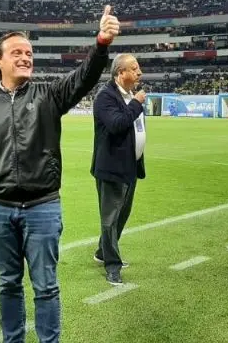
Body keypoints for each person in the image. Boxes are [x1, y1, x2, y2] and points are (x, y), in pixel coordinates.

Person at [0, 5, 120, 343]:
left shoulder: (48, 96)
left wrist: (101, 43)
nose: (25, 58)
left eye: (29, 53)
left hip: (42, 207)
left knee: (46, 287)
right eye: (16, 52)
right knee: (7, 284)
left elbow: (84, 77)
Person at [90, 54, 146, 286]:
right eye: (134, 68)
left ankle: (102, 252)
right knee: (110, 219)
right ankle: (112, 266)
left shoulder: (130, 95)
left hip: (130, 167)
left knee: (121, 215)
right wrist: (137, 104)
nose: (139, 72)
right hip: (111, 168)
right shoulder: (105, 96)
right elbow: (116, 125)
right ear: (120, 73)